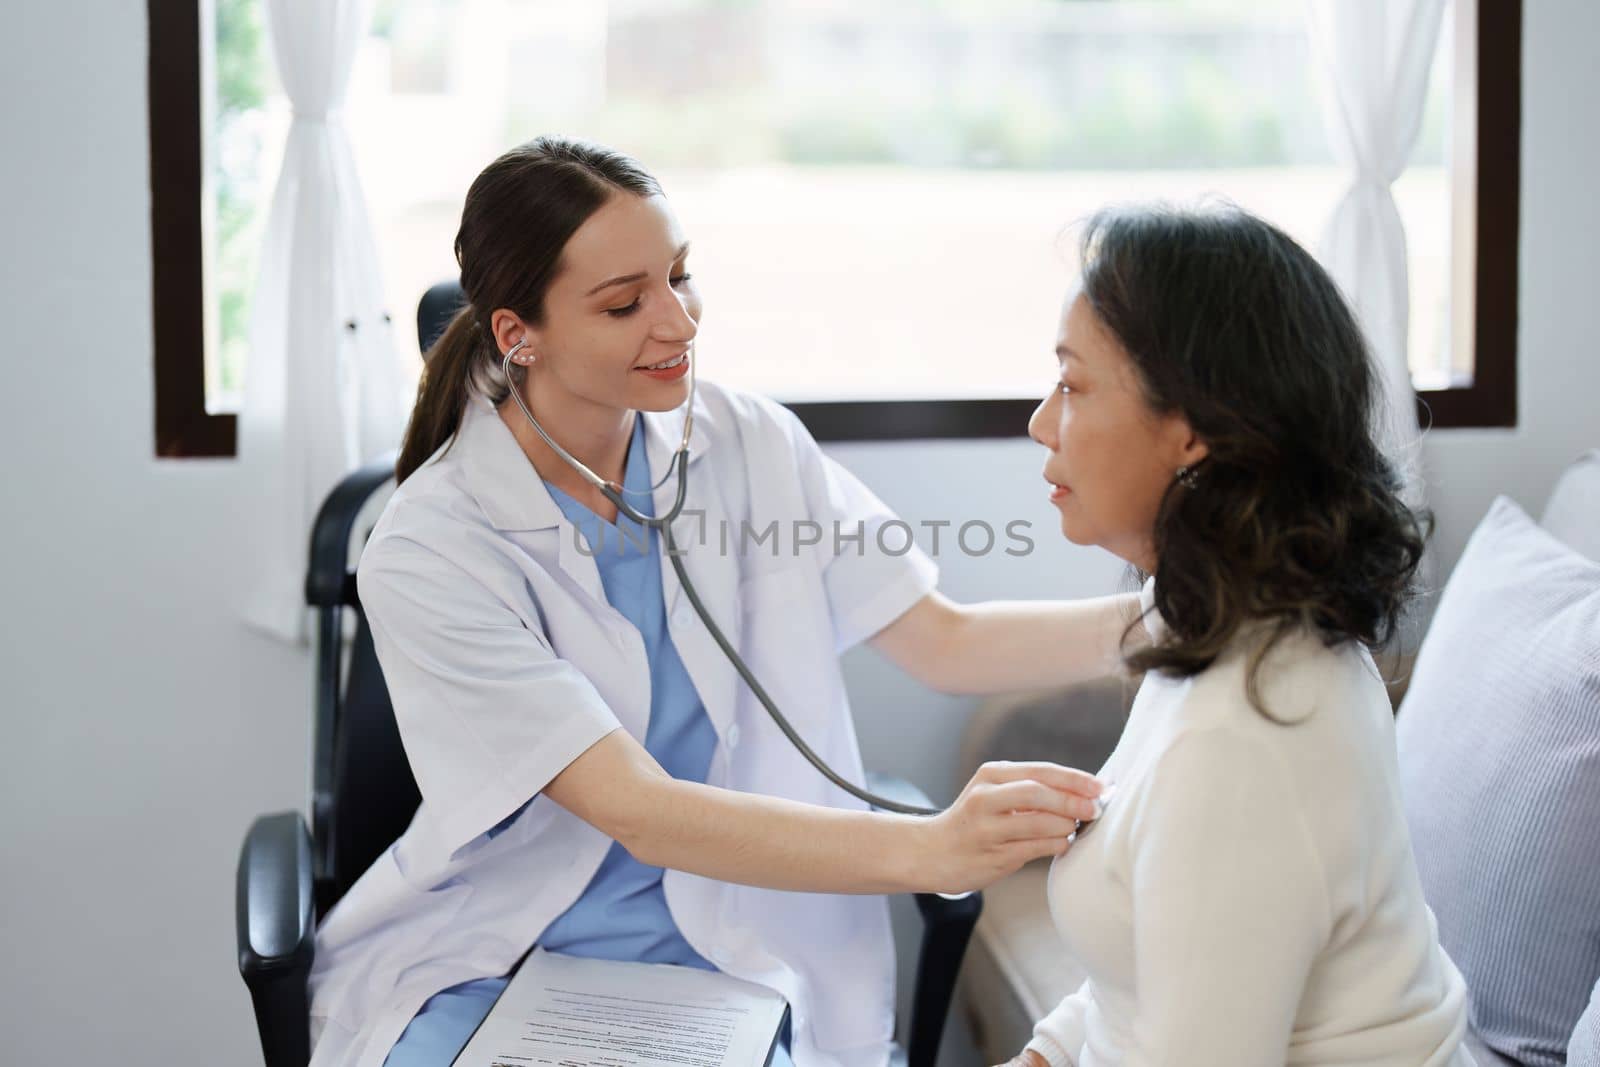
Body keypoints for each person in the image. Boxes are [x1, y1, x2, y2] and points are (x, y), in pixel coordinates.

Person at [307, 136, 1146, 1067]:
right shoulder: (432, 543)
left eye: (680, 276)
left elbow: (944, 642)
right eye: (626, 303)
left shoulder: (748, 443)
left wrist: (1180, 617)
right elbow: (639, 810)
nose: (678, 322)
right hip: (501, 958)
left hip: (732, 951)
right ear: (518, 334)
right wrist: (933, 848)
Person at [1001, 202, 1472, 1066]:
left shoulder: (1241, 736)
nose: (1041, 422)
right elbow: (1142, 983)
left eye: (1071, 384)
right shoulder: (1227, 629)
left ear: (1191, 430)